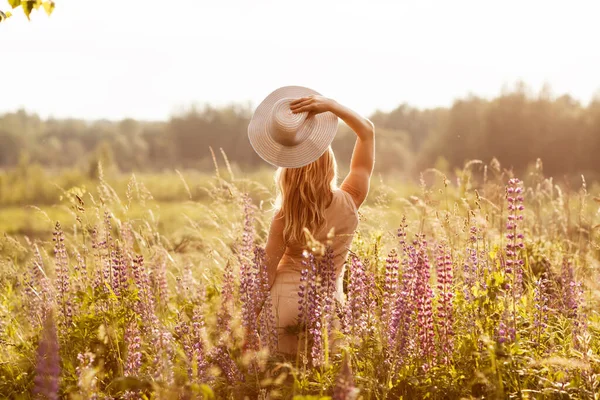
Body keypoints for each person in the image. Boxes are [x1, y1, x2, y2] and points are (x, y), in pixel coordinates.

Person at [247, 85, 375, 355]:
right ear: (329, 164)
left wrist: (248, 323)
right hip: (328, 309)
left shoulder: (285, 216)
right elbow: (366, 131)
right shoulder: (351, 200)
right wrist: (330, 105)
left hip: (283, 306)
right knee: (321, 388)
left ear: (287, 172)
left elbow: (266, 273)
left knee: (280, 386)